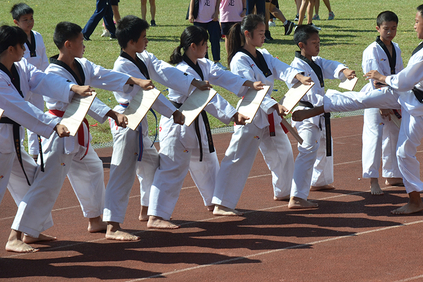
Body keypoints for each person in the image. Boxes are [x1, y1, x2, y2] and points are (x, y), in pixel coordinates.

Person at [292, 2, 423, 215]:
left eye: (416, 22)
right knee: (364, 99)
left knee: (403, 151)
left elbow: (406, 79)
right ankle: (319, 108)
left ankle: (415, 200)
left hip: (422, 104)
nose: (414, 26)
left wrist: (383, 78)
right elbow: (404, 80)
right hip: (407, 95)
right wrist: (384, 81)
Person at [7, 22, 153, 253]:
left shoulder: (82, 65)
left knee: (93, 169)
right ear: (68, 44)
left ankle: (96, 219)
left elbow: (105, 76)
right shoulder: (54, 71)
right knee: (47, 184)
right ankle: (18, 234)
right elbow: (79, 98)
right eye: (81, 40)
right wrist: (111, 112)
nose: (84, 44)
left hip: (77, 133)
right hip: (59, 131)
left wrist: (133, 81)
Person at [103, 15, 213, 241]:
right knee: (122, 174)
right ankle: (112, 227)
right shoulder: (122, 64)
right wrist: (173, 112)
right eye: (143, 37)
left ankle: (146, 210)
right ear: (131, 42)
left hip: (140, 123)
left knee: (153, 165)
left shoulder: (142, 57)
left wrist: (193, 82)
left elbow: (165, 71)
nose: (147, 41)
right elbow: (147, 94)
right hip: (127, 121)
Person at [146, 26, 260, 229]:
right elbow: (207, 97)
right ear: (193, 46)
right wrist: (233, 114)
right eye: (204, 44)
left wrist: (248, 83)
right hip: (178, 123)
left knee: (208, 162)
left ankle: (217, 202)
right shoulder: (182, 70)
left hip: (196, 123)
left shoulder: (203, 64)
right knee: (171, 168)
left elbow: (222, 76)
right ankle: (155, 216)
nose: (207, 47)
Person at [1, 25, 95, 253]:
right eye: (22, 46)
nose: (26, 50)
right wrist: (54, 124)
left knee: (32, 180)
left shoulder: (19, 66)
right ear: (11, 48)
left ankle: (29, 231)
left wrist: (72, 87)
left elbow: (42, 80)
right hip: (2, 141)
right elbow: (19, 107)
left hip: (12, 141)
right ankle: (14, 238)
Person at [211, 14, 312, 216]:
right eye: (260, 33)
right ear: (247, 34)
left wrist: (299, 76)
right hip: (251, 114)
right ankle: (221, 204)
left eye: (264, 33)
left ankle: (284, 191)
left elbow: (281, 68)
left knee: (282, 153)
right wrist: (275, 104)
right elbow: (250, 89)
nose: (264, 36)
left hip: (270, 114)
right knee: (237, 157)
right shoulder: (239, 59)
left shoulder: (262, 54)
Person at [288, 25, 355, 208]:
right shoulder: (296, 68)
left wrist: (344, 71)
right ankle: (297, 197)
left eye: (319, 42)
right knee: (307, 151)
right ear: (302, 44)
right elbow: (310, 96)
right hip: (307, 114)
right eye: (314, 43)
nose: (318, 46)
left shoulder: (314, 61)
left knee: (324, 144)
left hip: (318, 112)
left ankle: (319, 181)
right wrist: (333, 100)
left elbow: (330, 65)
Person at [361, 11, 404, 195]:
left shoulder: (396, 48)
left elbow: (399, 74)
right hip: (375, 98)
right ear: (378, 28)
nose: (390, 32)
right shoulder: (372, 50)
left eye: (393, 28)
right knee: (374, 138)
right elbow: (373, 77)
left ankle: (392, 173)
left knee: (394, 135)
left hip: (393, 96)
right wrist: (382, 104)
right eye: (386, 28)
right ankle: (372, 180)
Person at [11, 3, 48, 158]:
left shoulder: (37, 36)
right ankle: (19, 152)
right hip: (21, 86)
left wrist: (46, 80)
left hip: (38, 84)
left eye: (31, 18)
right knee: (20, 119)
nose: (30, 22)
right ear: (16, 22)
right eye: (25, 19)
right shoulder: (12, 40)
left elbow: (44, 61)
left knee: (37, 117)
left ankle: (35, 154)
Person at [189, 0, 225, 69]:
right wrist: (191, 14)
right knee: (201, 41)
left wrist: (216, 13)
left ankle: (217, 61)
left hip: (212, 19)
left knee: (215, 39)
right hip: (199, 18)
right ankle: (205, 62)